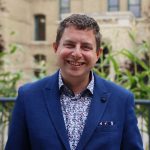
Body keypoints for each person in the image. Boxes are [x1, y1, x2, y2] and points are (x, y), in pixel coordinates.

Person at [5, 14, 143, 150]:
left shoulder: (121, 100)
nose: (77, 53)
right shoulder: (28, 97)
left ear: (98, 54)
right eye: (70, 45)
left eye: (86, 47)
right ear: (55, 48)